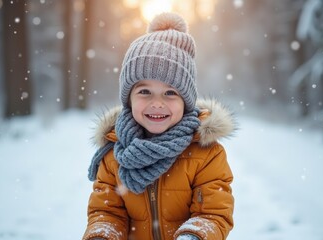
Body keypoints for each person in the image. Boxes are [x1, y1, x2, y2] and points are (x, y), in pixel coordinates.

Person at [83, 12, 235, 240]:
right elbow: (107, 212)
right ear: (129, 99)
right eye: (144, 91)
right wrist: (102, 235)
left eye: (170, 93)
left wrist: (194, 235)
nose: (157, 103)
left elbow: (213, 214)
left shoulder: (206, 154)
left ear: (186, 101)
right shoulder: (113, 155)